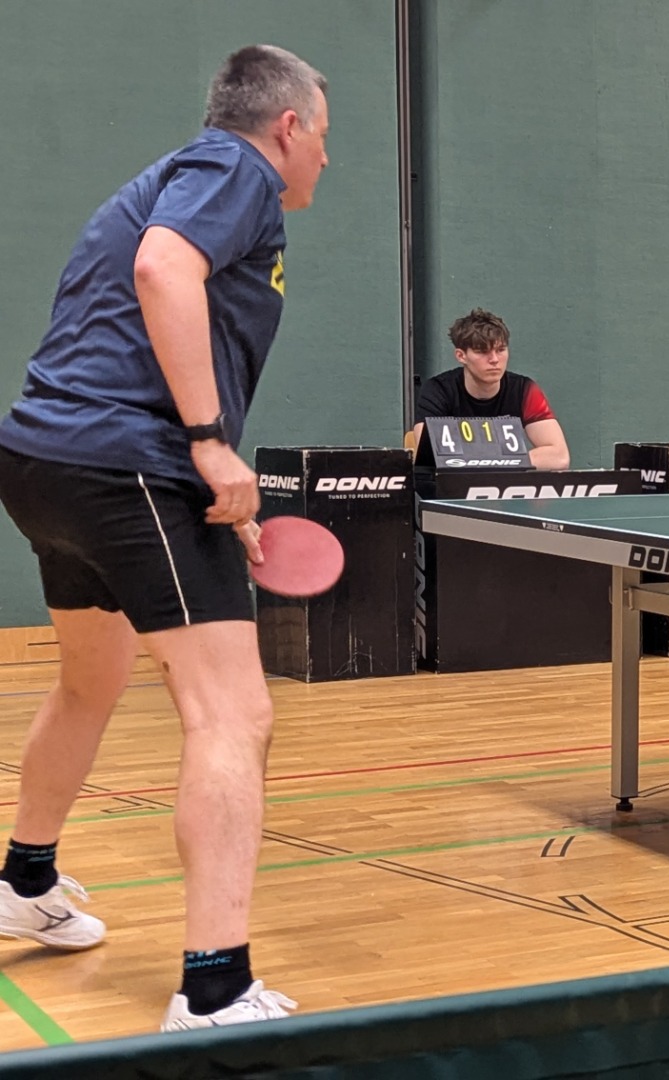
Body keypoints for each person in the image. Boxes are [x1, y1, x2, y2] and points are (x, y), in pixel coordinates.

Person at [0, 44, 327, 1029]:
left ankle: (24, 882)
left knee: (90, 680)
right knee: (233, 715)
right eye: (324, 136)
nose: (325, 158)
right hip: (130, 461)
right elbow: (161, 267)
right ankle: (215, 987)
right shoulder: (236, 170)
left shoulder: (181, 177)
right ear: (287, 127)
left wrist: (212, 470)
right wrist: (209, 445)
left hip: (46, 460)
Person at [409, 309, 570, 470]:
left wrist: (495, 461)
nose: (494, 359)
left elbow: (559, 457)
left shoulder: (524, 389)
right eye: (482, 351)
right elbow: (432, 457)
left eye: (500, 350)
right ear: (461, 356)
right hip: (455, 485)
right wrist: (504, 460)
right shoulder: (437, 390)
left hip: (506, 483)